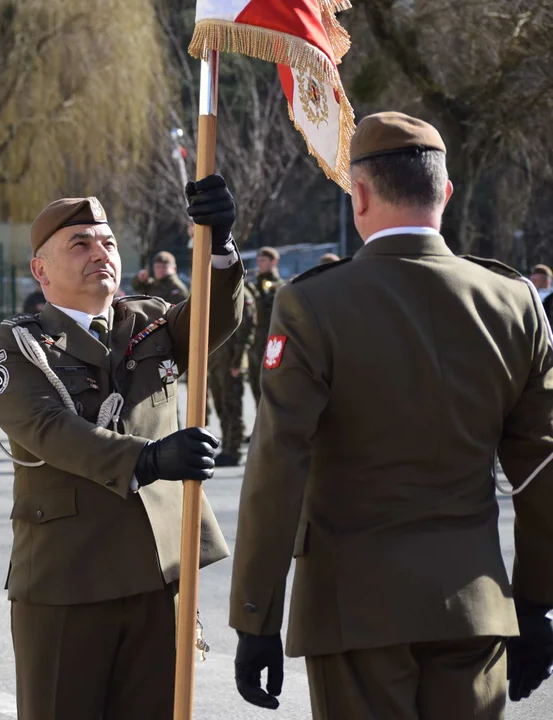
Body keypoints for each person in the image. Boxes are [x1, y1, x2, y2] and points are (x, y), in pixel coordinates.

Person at [229, 111, 553, 719]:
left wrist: (256, 616)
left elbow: (278, 465)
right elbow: (543, 472)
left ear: (359, 194)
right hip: (476, 608)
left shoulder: (313, 303)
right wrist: (537, 603)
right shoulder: (514, 302)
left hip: (356, 610)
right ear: (446, 192)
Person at [0, 175, 245, 720]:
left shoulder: (149, 323)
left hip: (159, 574)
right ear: (41, 269)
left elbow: (215, 318)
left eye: (107, 242)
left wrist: (218, 245)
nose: (99, 252)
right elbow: (51, 429)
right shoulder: (17, 345)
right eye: (79, 243)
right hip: (68, 581)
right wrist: (146, 459)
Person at [207, 282, 254, 466]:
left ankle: (233, 450)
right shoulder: (217, 293)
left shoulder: (241, 294)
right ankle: (227, 446)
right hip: (217, 362)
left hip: (231, 363)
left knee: (232, 406)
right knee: (221, 406)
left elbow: (245, 332)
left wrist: (237, 362)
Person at [247, 246, 282, 408]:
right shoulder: (256, 283)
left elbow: (265, 304)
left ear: (273, 262)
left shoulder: (276, 285)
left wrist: (255, 288)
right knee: (255, 387)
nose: (259, 264)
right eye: (258, 260)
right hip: (255, 342)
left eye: (263, 260)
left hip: (269, 343)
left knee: (268, 390)